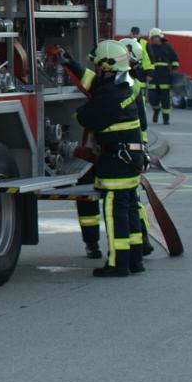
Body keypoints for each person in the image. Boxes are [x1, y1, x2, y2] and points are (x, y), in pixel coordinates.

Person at [62, 40, 148, 277]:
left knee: (115, 213)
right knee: (130, 210)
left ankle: (118, 264)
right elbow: (94, 83)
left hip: (115, 162)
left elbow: (83, 117)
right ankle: (135, 261)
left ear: (107, 67)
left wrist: (75, 114)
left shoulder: (109, 96)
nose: (97, 69)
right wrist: (72, 64)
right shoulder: (125, 87)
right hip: (130, 158)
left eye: (98, 65)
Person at [120, 37, 155, 256]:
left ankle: (142, 240)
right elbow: (143, 123)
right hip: (137, 146)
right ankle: (143, 240)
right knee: (135, 197)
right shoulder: (136, 83)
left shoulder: (126, 85)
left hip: (128, 147)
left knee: (131, 198)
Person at [146, 28, 180, 125]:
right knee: (152, 99)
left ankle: (166, 119)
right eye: (153, 38)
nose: (154, 39)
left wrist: (174, 70)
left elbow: (175, 59)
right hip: (153, 75)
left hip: (165, 76)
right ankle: (156, 110)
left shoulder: (167, 47)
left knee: (165, 99)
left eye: (156, 37)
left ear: (160, 37)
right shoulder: (150, 47)